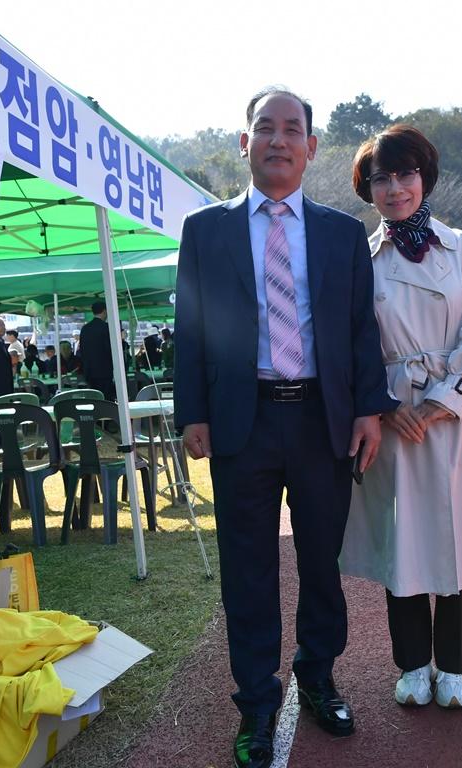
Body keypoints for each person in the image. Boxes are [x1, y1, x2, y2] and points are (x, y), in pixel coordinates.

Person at [173, 88, 392, 768]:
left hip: (322, 418)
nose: (277, 139)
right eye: (263, 127)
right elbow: (190, 327)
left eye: (291, 129)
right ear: (244, 143)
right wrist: (192, 413)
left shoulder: (340, 233)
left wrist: (367, 407)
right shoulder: (205, 230)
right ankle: (257, 705)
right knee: (248, 570)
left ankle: (319, 677)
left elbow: (361, 328)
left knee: (321, 561)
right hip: (243, 421)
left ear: (311, 147)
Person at [339, 125, 462, 712]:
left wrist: (447, 397)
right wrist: (387, 404)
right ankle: (413, 664)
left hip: (457, 415)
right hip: (393, 417)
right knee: (406, 543)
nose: (396, 188)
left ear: (425, 177)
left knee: (460, 538)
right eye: (382, 178)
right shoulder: (359, 258)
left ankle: (457, 668)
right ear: (368, 190)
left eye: (406, 174)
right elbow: (350, 337)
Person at [79, 300, 115, 401]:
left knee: (94, 399)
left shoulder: (85, 328)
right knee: (106, 399)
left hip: (89, 370)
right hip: (104, 370)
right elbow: (109, 349)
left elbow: (81, 349)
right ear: (104, 311)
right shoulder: (106, 328)